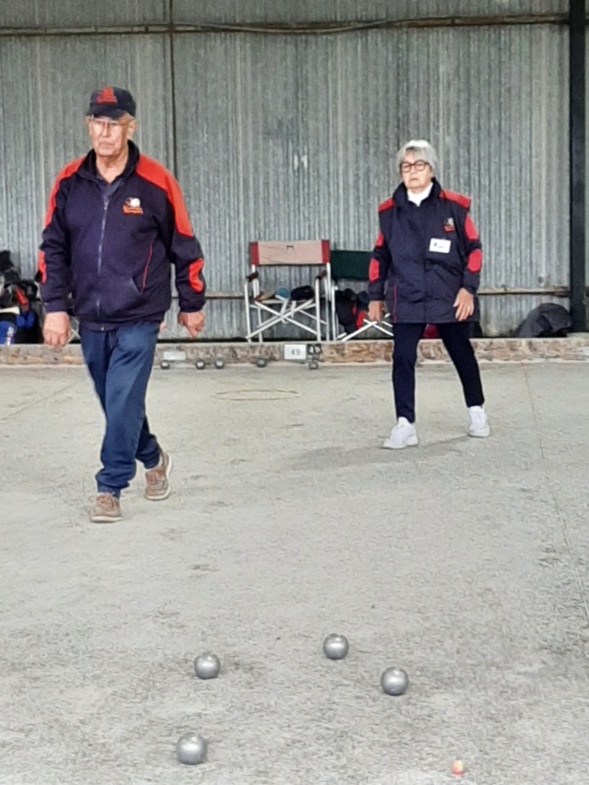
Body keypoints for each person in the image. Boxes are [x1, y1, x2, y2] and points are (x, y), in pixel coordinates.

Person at [39, 86, 206, 521]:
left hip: (140, 312)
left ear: (130, 127)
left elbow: (184, 242)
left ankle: (109, 486)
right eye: (98, 122)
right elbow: (52, 247)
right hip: (90, 314)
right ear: (88, 125)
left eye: (115, 123)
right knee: (118, 403)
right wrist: (54, 305)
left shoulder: (155, 181)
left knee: (123, 396)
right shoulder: (69, 181)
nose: (105, 131)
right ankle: (152, 458)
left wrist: (192, 301)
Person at [368, 139, 489, 449]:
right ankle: (405, 424)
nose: (412, 172)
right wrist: (375, 296)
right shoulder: (389, 211)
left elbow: (474, 250)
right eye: (406, 167)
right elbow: (379, 255)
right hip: (406, 295)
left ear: (431, 170)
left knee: (461, 353)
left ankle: (477, 411)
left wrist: (468, 289)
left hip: (447, 296)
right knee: (403, 358)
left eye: (419, 165)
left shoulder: (455, 206)